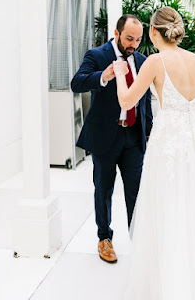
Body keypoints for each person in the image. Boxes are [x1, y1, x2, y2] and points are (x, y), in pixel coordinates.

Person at [113, 6, 195, 299]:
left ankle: (166, 284)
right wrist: (185, 114)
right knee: (194, 207)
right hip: (193, 142)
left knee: (165, 208)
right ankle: (194, 281)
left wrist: (121, 73)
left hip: (167, 144)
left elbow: (126, 100)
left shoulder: (155, 62)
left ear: (153, 32)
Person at [70, 14, 153, 264]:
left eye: (138, 39)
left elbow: (146, 101)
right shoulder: (97, 55)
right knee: (103, 189)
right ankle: (104, 238)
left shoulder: (142, 60)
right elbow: (76, 83)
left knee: (136, 192)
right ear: (116, 34)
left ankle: (138, 240)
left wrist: (148, 133)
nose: (134, 44)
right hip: (106, 136)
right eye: (129, 38)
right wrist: (103, 77)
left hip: (133, 138)